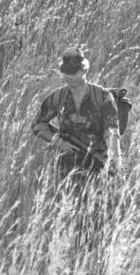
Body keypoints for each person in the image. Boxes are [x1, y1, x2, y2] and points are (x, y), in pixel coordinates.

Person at [32, 47, 122, 182]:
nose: (70, 77)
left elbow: (111, 129)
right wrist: (58, 142)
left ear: (84, 70)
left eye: (74, 72)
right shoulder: (58, 97)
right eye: (66, 72)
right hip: (66, 168)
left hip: (96, 164)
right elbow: (37, 125)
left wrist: (114, 157)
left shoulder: (102, 96)